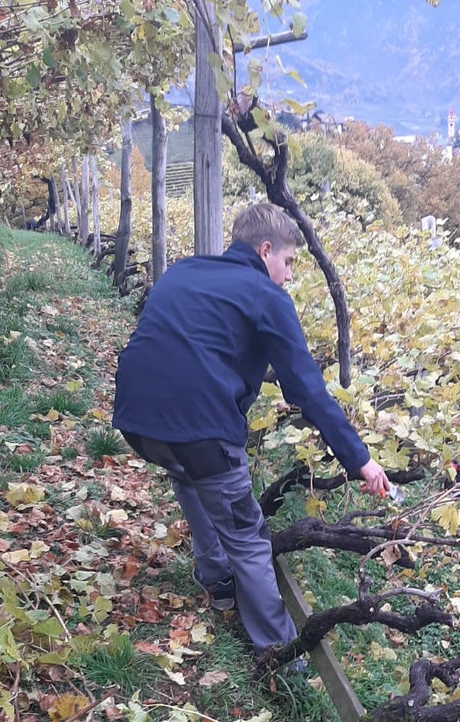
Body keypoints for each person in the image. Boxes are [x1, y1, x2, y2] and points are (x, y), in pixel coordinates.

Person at [112, 202, 391, 656]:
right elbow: (307, 390)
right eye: (288, 262)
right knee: (247, 534)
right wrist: (359, 459)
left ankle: (217, 581)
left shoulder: (184, 271)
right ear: (265, 251)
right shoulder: (268, 297)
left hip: (136, 420)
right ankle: (277, 653)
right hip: (200, 428)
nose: (289, 276)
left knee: (189, 476)